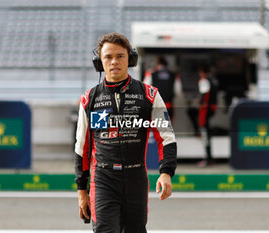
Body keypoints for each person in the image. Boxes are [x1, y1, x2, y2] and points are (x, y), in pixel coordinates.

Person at [75, 32, 177, 232]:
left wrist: (166, 173)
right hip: (102, 179)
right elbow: (82, 149)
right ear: (100, 62)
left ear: (129, 59)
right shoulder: (89, 99)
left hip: (136, 177)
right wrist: (81, 191)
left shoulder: (150, 95)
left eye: (120, 56)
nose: (114, 62)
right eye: (108, 57)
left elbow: (167, 138)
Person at [196, 63, 218, 167]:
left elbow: (204, 95)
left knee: (205, 134)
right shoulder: (213, 80)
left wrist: (201, 104)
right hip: (211, 109)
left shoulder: (204, 81)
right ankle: (209, 158)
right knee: (206, 133)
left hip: (205, 110)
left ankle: (208, 159)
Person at [144, 56, 176, 121]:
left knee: (156, 128)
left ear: (157, 64)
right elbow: (178, 91)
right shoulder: (173, 75)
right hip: (169, 106)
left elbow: (144, 89)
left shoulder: (151, 74)